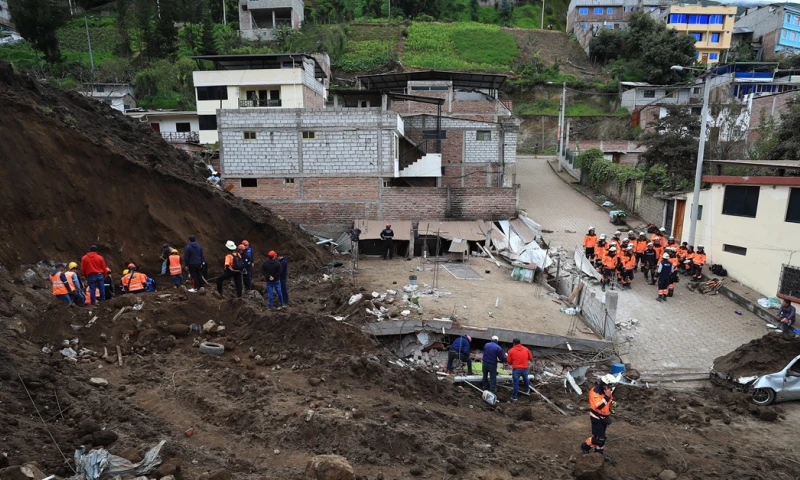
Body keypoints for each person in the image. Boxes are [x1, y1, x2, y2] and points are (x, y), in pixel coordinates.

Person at [580, 374, 618, 462]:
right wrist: (607, 396)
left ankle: (599, 455)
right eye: (611, 385)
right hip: (596, 417)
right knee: (599, 439)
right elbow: (599, 406)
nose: (612, 388)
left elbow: (608, 402)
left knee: (602, 438)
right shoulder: (594, 392)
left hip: (604, 418)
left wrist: (611, 406)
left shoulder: (607, 390)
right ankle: (585, 446)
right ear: (605, 384)